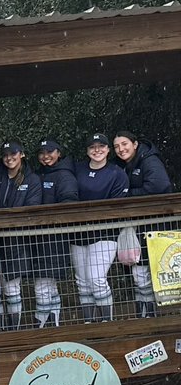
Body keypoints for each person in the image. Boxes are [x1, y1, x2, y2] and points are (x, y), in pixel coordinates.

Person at [113, 131, 173, 318]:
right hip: (138, 227)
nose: (121, 149)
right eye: (116, 146)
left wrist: (127, 194)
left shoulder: (149, 161)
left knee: (155, 275)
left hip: (157, 228)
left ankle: (156, 319)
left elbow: (159, 186)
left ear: (135, 144)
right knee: (140, 274)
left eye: (124, 144)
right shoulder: (123, 166)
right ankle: (144, 317)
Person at [72, 133, 130, 323]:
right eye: (92, 147)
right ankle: (89, 324)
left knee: (96, 279)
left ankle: (107, 323)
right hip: (77, 234)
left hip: (105, 233)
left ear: (108, 149)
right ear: (87, 150)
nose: (97, 150)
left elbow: (117, 205)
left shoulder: (117, 173)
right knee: (82, 283)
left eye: (101, 146)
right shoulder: (77, 169)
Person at [0, 142, 43, 330]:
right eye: (5, 154)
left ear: (22, 154)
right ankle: (0, 329)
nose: (9, 158)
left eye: (13, 154)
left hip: (16, 240)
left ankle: (14, 330)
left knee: (11, 288)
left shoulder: (32, 179)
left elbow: (31, 208)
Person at [31, 139, 79, 328]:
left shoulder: (65, 176)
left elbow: (69, 202)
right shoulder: (38, 174)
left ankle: (42, 324)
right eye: (42, 152)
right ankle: (52, 323)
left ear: (59, 153)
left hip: (56, 237)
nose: (46, 156)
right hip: (39, 237)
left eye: (50, 151)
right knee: (47, 285)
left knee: (42, 284)